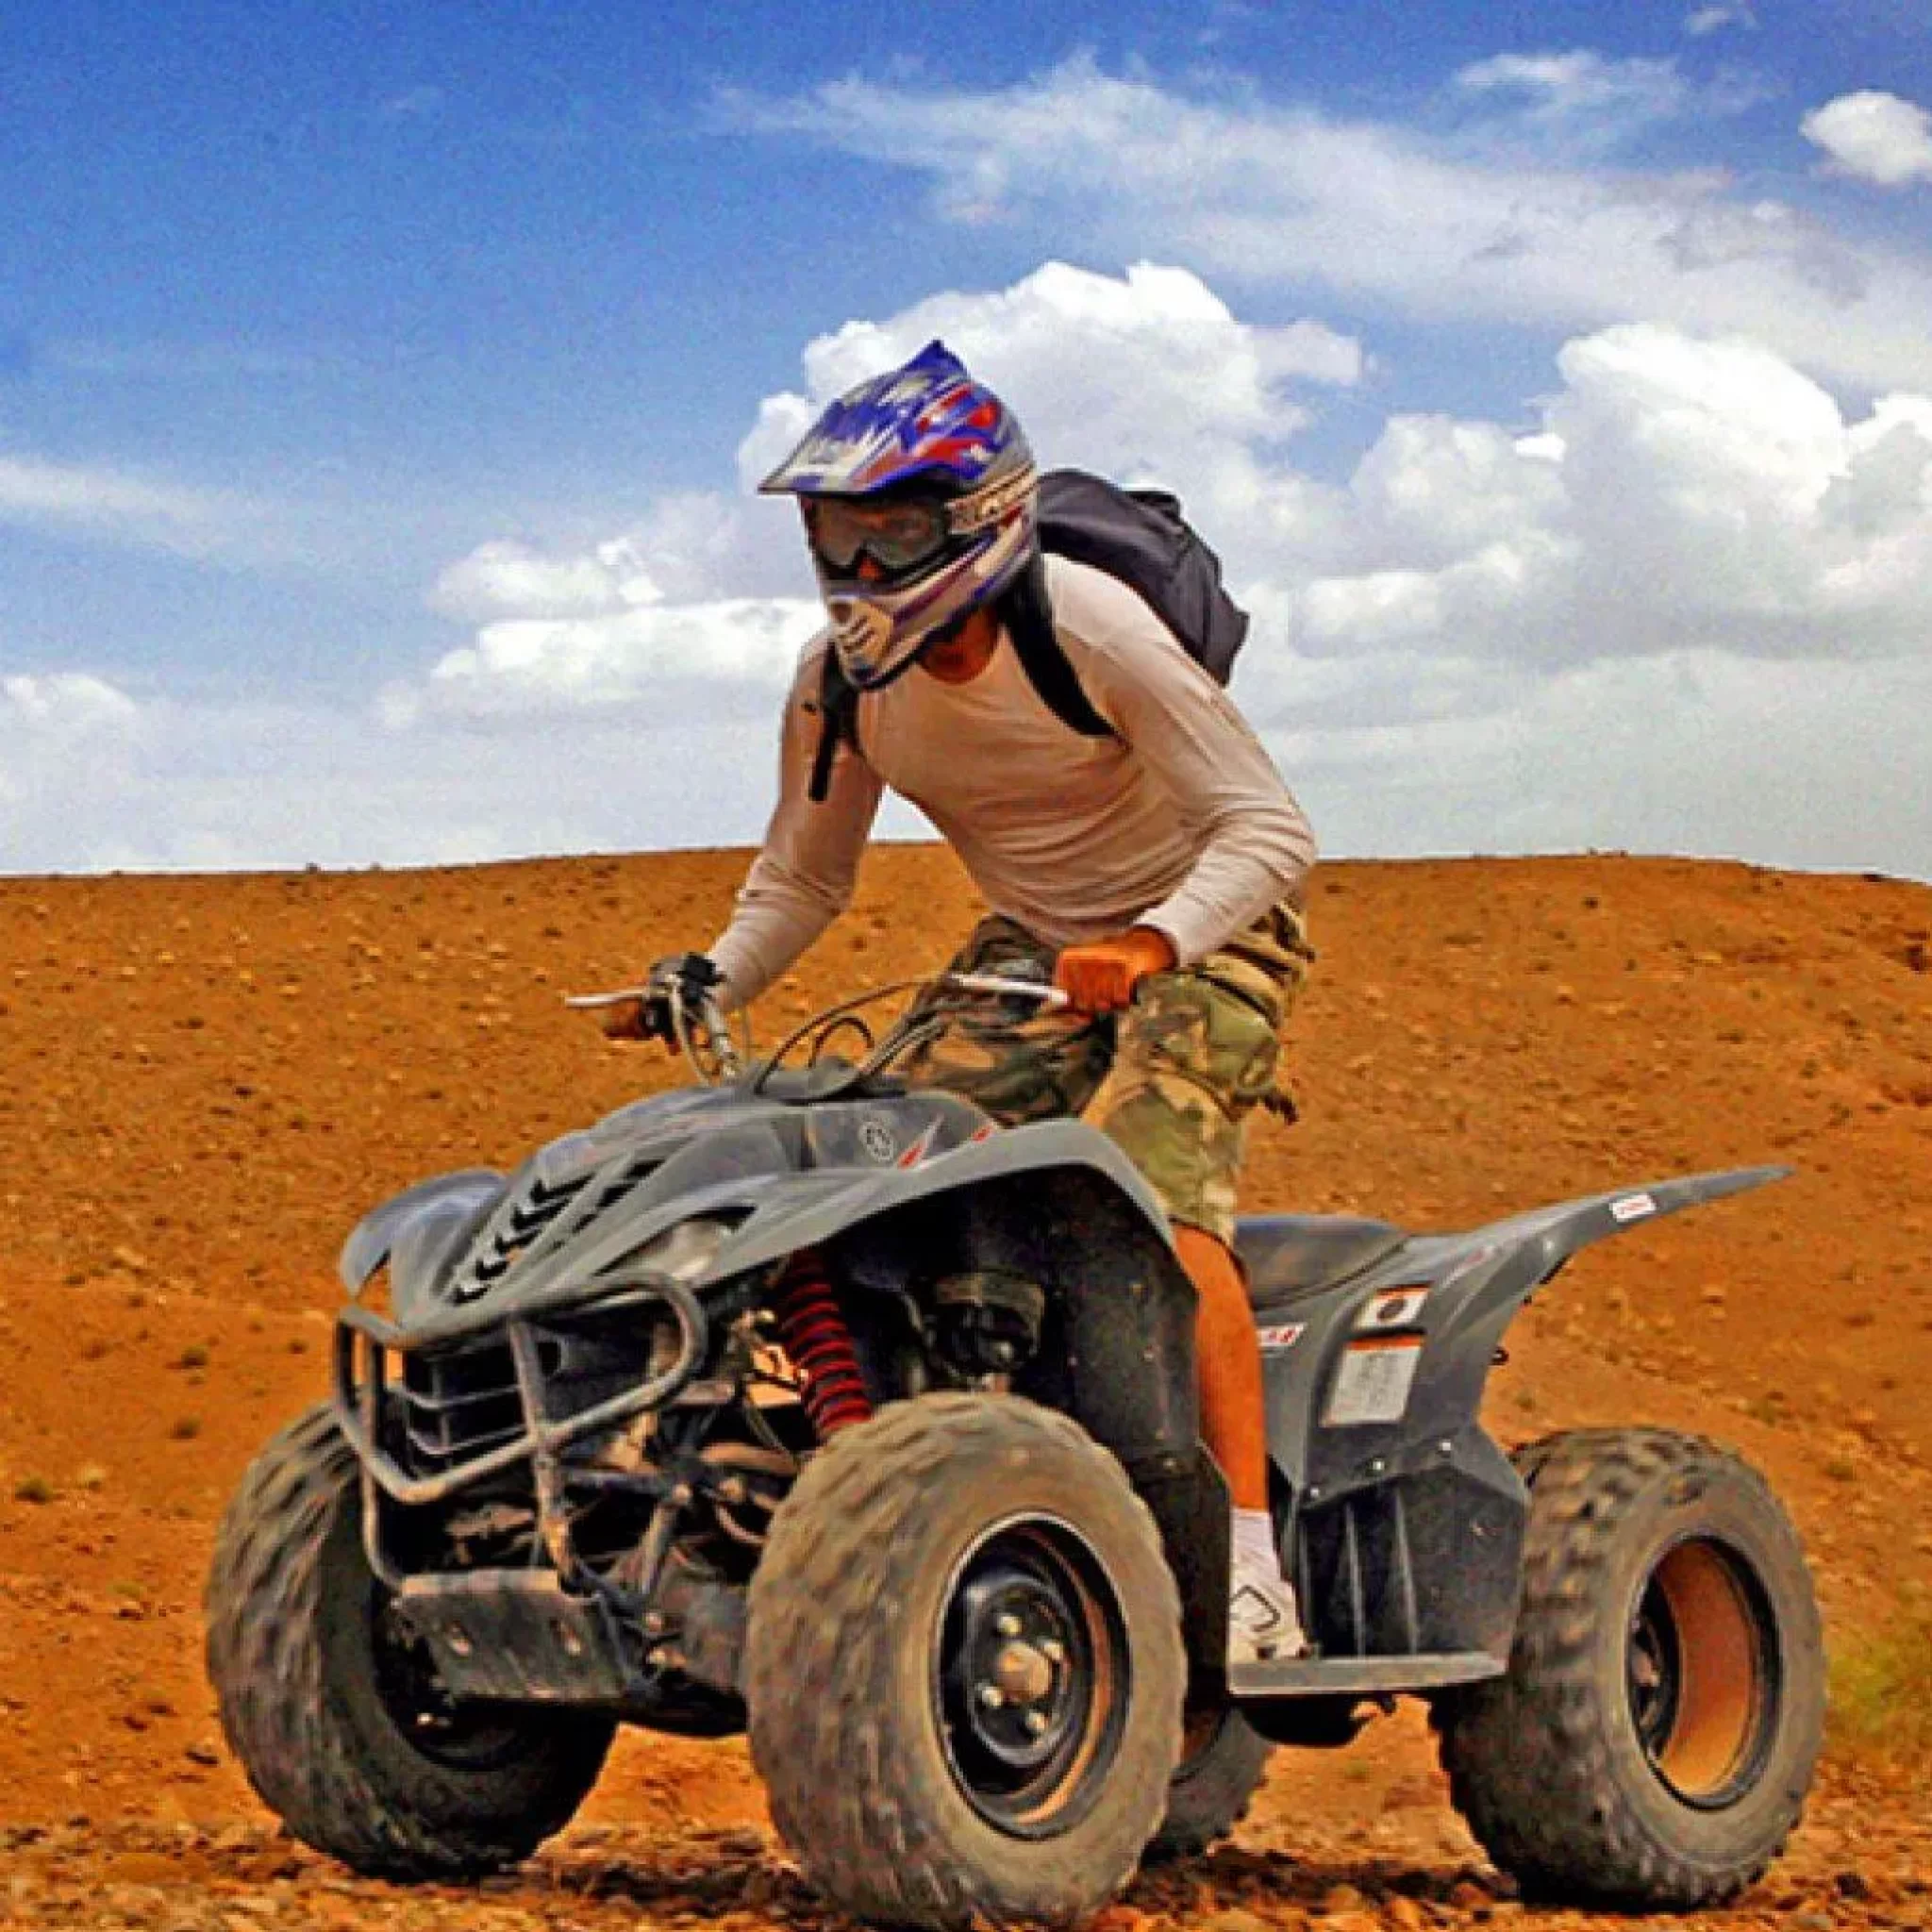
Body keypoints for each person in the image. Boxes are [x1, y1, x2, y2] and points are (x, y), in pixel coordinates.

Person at [614, 341, 1318, 1666]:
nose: (863, 573)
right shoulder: (840, 686)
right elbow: (805, 877)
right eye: (840, 537)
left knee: (1157, 1202)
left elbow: (1270, 829)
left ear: (983, 519)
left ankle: (1248, 1568)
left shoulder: (1095, 630)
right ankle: (932, 1485)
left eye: (897, 535)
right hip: (1037, 950)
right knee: (889, 1174)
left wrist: (1159, 942)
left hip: (1206, 928)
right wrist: (709, 975)